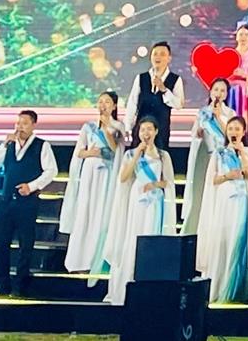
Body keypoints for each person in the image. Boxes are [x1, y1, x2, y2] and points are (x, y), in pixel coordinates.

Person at [99, 116, 175, 306]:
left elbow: (168, 182)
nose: (146, 133)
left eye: (149, 129)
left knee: (151, 237)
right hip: (136, 200)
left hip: (155, 202)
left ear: (156, 131)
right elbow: (123, 177)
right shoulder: (131, 154)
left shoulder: (163, 155)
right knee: (134, 237)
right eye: (142, 130)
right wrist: (137, 154)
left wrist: (155, 184)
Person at [0, 109, 56, 298]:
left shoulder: (42, 145)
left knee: (25, 245)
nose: (20, 127)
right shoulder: (9, 145)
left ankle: (20, 286)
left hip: (27, 203)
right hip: (5, 202)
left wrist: (32, 186)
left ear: (33, 125)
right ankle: (2, 284)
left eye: (25, 123)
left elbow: (51, 171)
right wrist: (4, 145)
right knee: (1, 244)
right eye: (18, 123)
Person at [196, 114, 248, 303]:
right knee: (222, 241)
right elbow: (212, 180)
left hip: (241, 203)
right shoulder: (219, 153)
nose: (233, 132)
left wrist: (241, 152)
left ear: (243, 132)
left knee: (237, 240)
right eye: (230, 129)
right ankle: (218, 287)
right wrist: (227, 176)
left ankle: (236, 289)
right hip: (224, 202)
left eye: (237, 129)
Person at [59, 93, 122, 275]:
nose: (103, 105)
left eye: (107, 102)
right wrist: (90, 153)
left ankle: (98, 260)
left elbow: (117, 150)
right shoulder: (88, 127)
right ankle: (80, 260)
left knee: (101, 212)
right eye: (100, 102)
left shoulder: (119, 127)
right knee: (86, 211)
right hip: (89, 173)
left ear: (114, 106)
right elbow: (79, 152)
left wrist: (107, 129)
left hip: (107, 173)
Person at [182, 77, 236, 233]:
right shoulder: (203, 112)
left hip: (221, 157)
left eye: (222, 90)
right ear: (211, 92)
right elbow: (194, 133)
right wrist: (198, 131)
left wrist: (218, 117)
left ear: (226, 94)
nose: (218, 93)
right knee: (200, 190)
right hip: (203, 154)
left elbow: (230, 136)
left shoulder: (230, 113)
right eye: (216, 89)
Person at [126, 41, 184, 149]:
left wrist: (164, 90)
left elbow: (179, 105)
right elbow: (132, 103)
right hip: (141, 129)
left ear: (169, 58)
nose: (158, 57)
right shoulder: (141, 78)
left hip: (161, 130)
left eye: (162, 54)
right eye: (155, 54)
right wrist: (127, 127)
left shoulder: (175, 79)